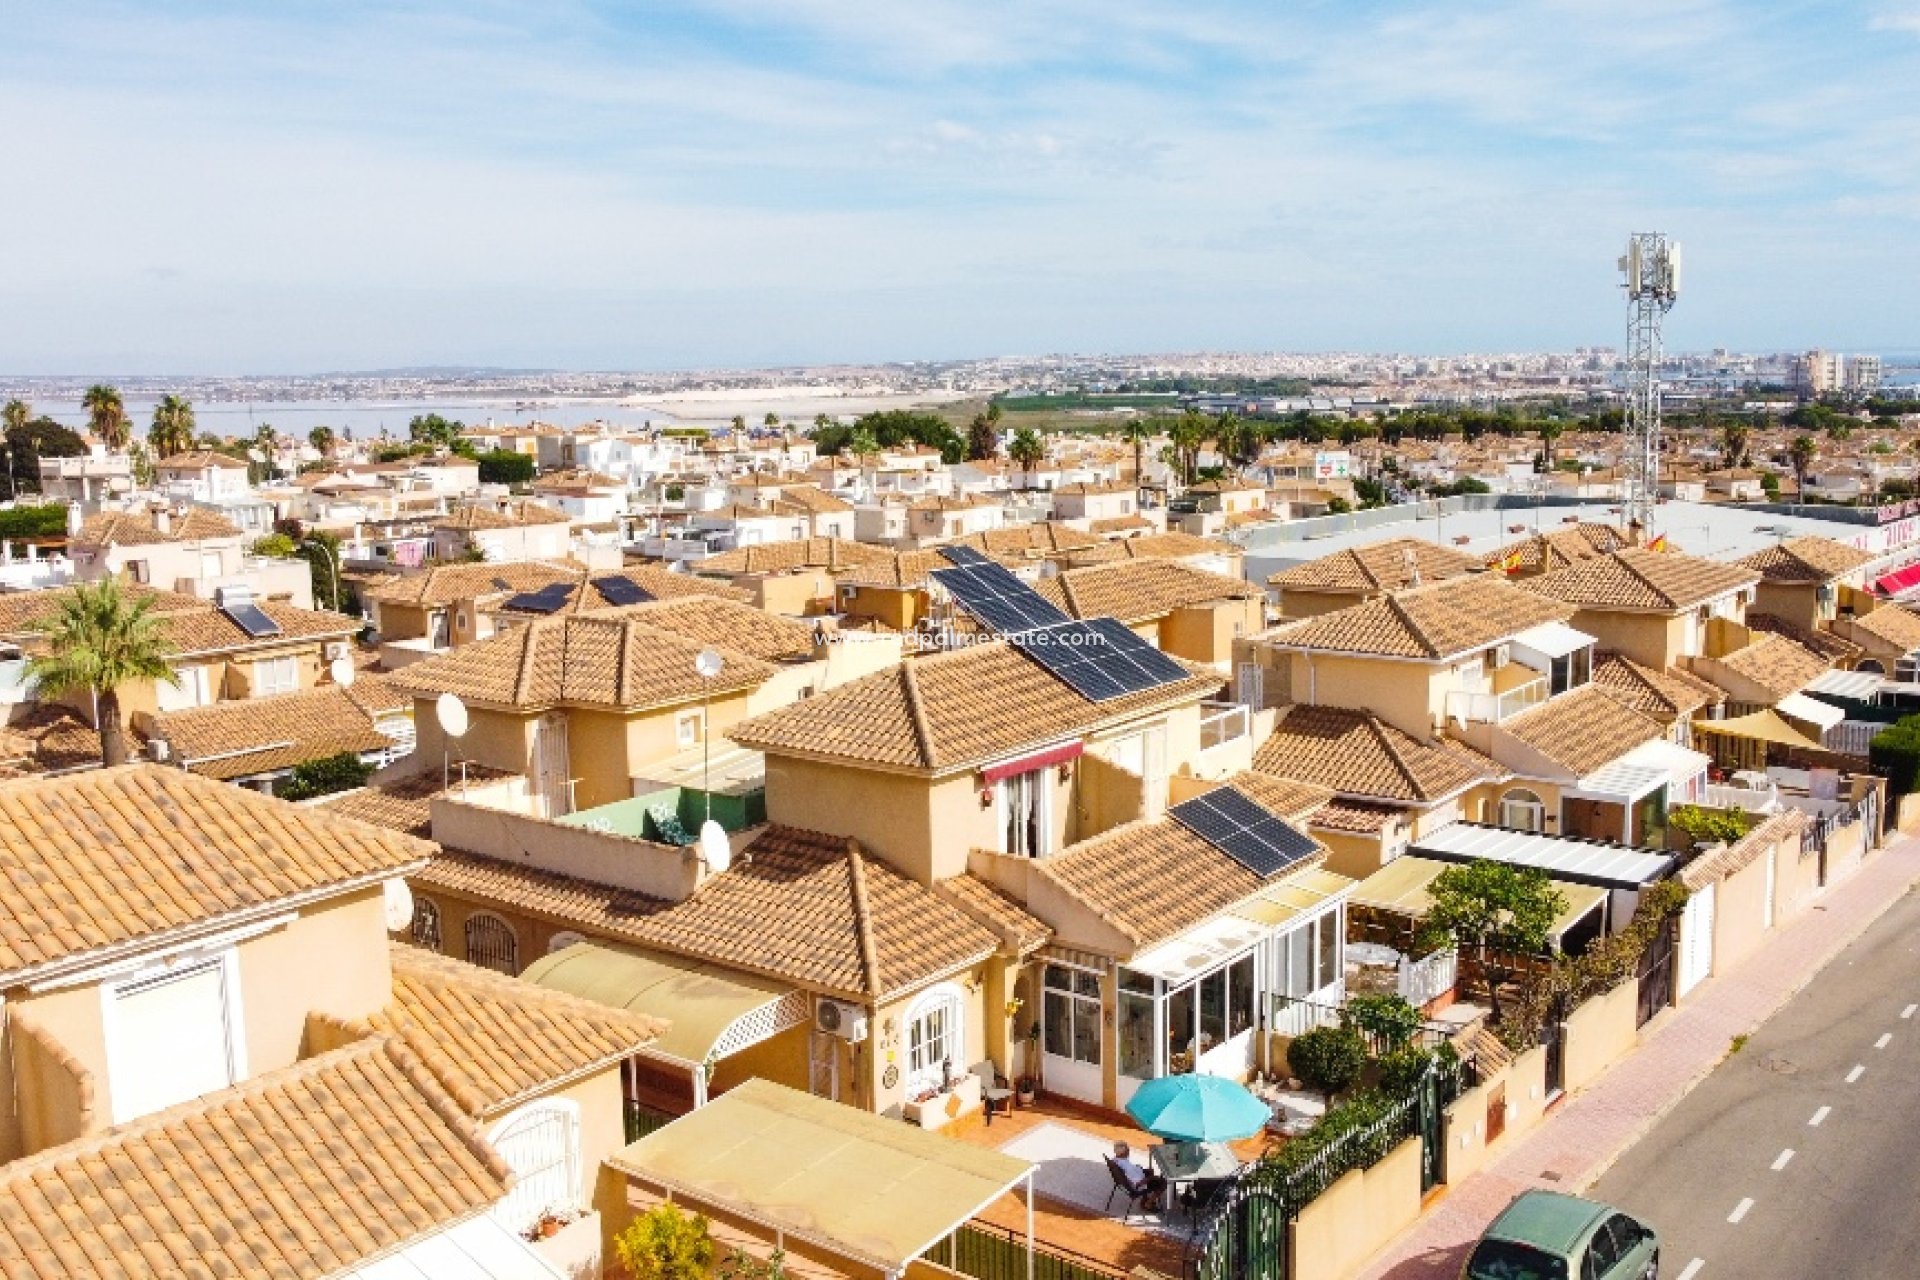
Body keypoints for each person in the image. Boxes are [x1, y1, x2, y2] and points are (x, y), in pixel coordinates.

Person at [1111, 1141, 1167, 1211]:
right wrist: (1152, 1178)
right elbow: (1138, 1183)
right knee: (1163, 1182)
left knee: (1150, 1171)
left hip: (1129, 1181)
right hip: (1137, 1186)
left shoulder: (1116, 1160)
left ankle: (1144, 1198)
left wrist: (1138, 1168)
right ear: (1123, 1153)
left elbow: (1130, 1173)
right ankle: (1148, 1203)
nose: (1129, 1151)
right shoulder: (1127, 1167)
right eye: (1128, 1150)